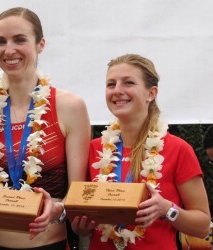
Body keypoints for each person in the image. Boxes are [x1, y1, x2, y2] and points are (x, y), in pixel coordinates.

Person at [0, 7, 90, 250]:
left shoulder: (70, 107)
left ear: (41, 44)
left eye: (19, 40)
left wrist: (57, 210)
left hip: (49, 245)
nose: (9, 50)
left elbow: (78, 195)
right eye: (0, 41)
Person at [71, 53, 211, 249]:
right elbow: (80, 211)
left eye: (128, 82)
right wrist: (82, 227)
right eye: (111, 84)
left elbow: (203, 226)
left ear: (151, 93)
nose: (117, 90)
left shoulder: (179, 149)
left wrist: (168, 210)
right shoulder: (93, 149)